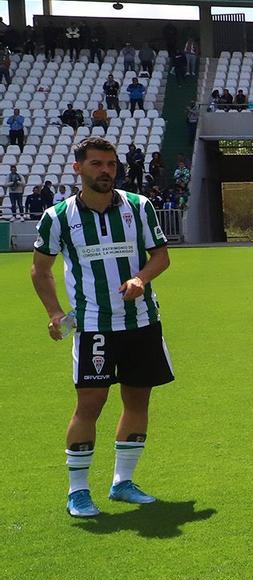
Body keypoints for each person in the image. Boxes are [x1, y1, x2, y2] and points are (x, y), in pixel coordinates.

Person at [30, 136, 174, 518]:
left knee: (138, 399)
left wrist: (141, 278)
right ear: (78, 168)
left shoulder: (139, 208)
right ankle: (78, 491)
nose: (105, 171)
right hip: (94, 326)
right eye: (96, 164)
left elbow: (161, 256)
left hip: (142, 321)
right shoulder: (58, 217)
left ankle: (122, 482)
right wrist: (54, 312)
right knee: (90, 403)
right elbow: (40, 269)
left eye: (110, 164)